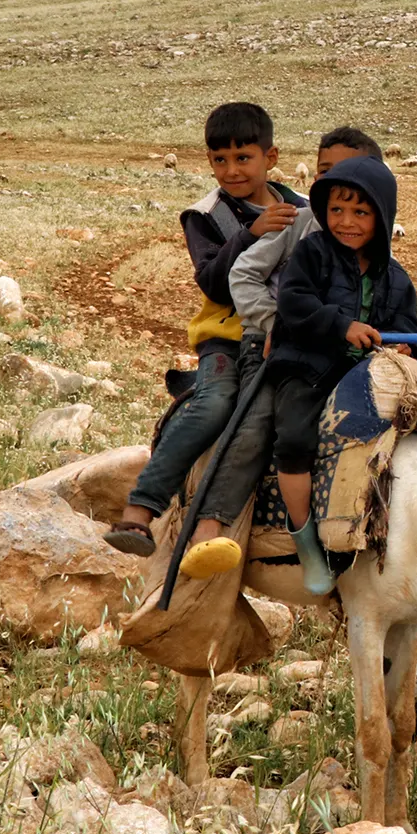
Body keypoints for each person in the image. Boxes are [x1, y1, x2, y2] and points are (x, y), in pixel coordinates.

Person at [172, 126, 382, 579]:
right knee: (263, 422)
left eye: (358, 202)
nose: (344, 211)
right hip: (296, 353)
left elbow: (397, 311)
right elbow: (276, 291)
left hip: (356, 358)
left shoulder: (381, 256)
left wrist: (401, 342)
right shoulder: (302, 228)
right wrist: (275, 325)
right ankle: (215, 526)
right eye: (329, 177)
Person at [106, 102, 301, 557]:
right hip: (227, 338)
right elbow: (212, 280)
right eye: (220, 160)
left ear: (270, 158)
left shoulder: (301, 207)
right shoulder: (205, 215)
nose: (231, 170)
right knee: (216, 405)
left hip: (288, 338)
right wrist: (249, 234)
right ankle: (141, 510)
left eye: (243, 158)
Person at [264, 153, 417, 594]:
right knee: (293, 438)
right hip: (310, 366)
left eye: (360, 212)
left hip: (369, 375)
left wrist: (410, 348)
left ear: (382, 216)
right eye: (336, 210)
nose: (345, 221)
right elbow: (293, 303)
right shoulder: (312, 253)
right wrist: (341, 326)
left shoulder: (397, 278)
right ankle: (307, 542)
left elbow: (408, 325)